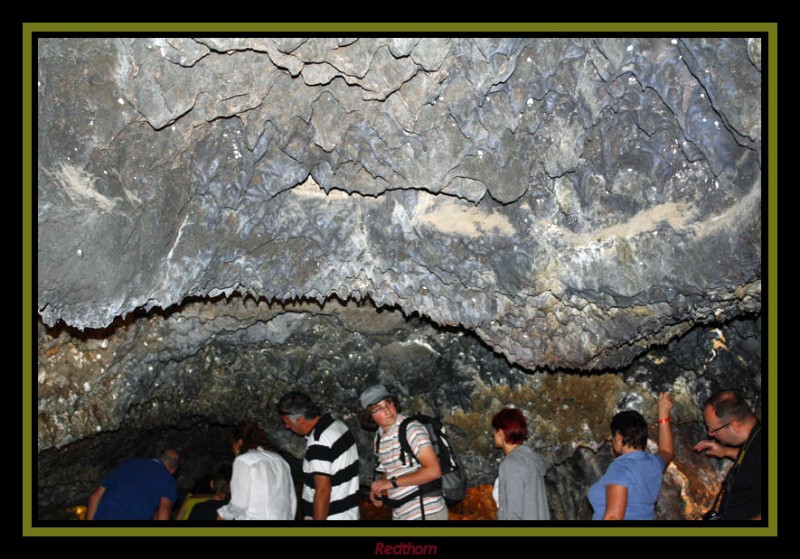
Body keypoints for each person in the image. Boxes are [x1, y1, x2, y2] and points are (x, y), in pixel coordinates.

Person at [360, 384, 448, 521]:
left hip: (426, 511)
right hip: (401, 513)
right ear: (369, 416)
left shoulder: (411, 429)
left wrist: (392, 483)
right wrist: (379, 490)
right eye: (378, 408)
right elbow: (389, 472)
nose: (387, 410)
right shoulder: (379, 437)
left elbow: (434, 471)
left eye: (388, 403)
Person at [587, 392, 673, 520]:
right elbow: (667, 451)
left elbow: (614, 517)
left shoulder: (620, 467)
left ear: (620, 438)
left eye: (613, 437)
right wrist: (663, 414)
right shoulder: (653, 463)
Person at [277, 391, 360, 520]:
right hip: (349, 513)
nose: (287, 426)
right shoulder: (338, 426)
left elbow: (323, 490)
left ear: (299, 420)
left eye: (286, 422)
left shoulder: (319, 441)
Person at [694, 389, 762, 520]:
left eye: (713, 429)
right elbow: (753, 461)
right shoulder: (754, 441)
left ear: (735, 426)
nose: (710, 434)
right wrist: (725, 451)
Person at [216, 421, 297, 520]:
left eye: (233, 444)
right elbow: (292, 500)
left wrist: (223, 514)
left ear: (240, 442)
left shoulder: (244, 461)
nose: (233, 450)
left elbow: (239, 502)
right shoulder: (281, 460)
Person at [86, 449, 179, 520]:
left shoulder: (128, 464)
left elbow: (94, 497)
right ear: (173, 470)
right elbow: (164, 511)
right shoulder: (168, 479)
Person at [490, 408, 550, 520]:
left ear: (501, 433)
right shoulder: (530, 460)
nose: (493, 434)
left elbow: (513, 512)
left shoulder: (512, 463)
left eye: (494, 430)